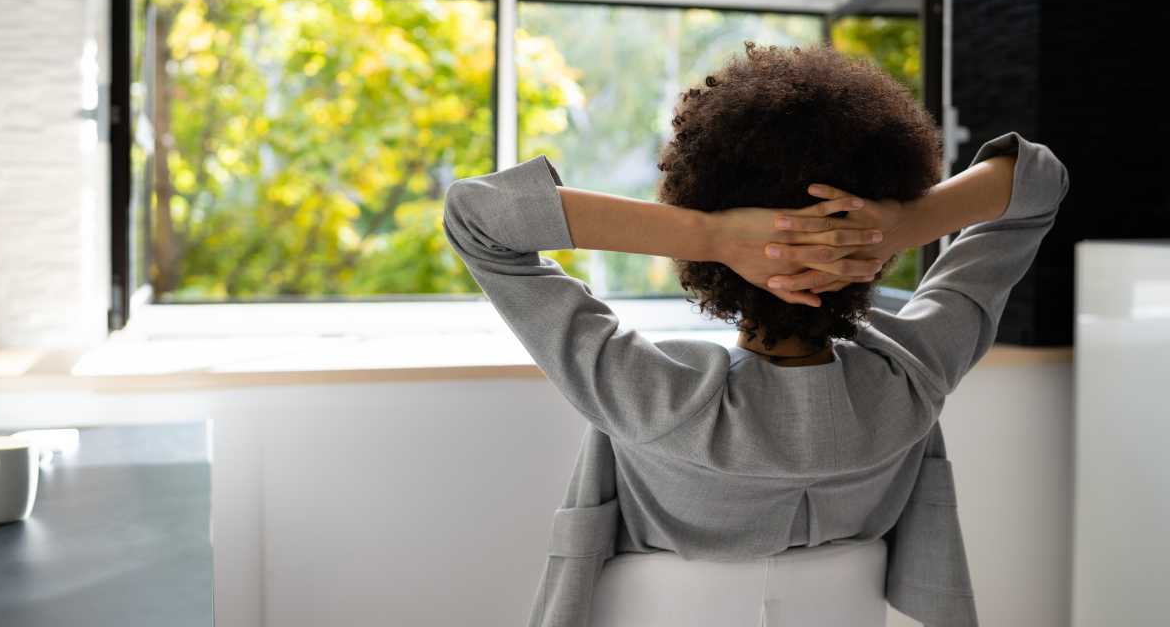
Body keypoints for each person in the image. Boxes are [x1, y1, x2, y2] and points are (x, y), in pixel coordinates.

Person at [442, 42, 1068, 627]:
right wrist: (901, 226)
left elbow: (476, 216)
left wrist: (711, 235)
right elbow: (1038, 180)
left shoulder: (652, 400)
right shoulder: (915, 377)